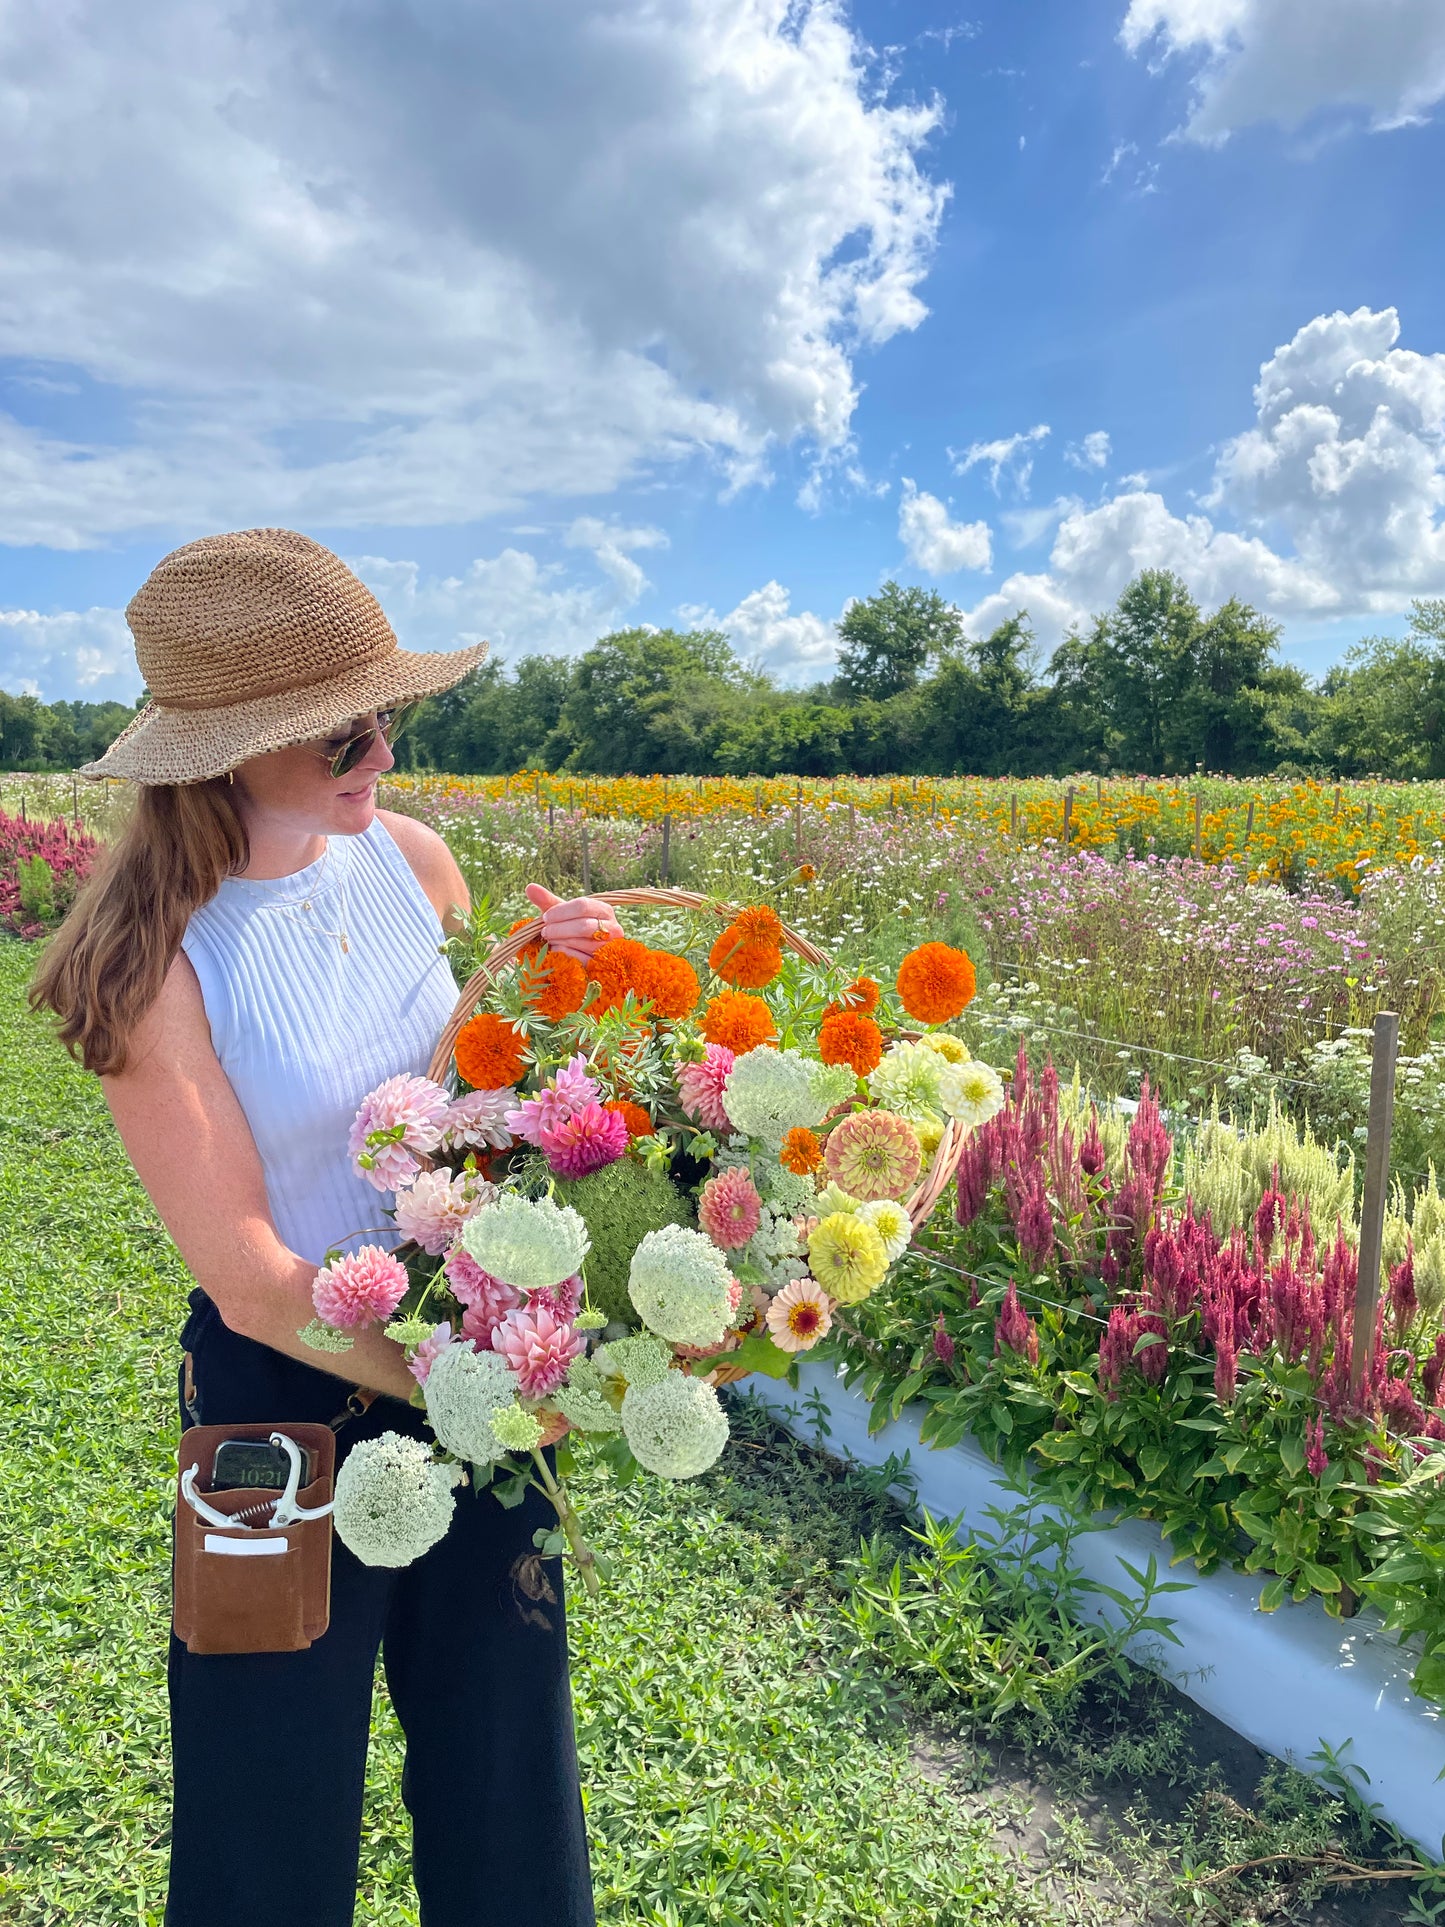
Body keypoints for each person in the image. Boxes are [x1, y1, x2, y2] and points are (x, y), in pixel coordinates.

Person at [31, 528, 617, 1927]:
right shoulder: (150, 962)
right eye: (342, 734)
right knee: (267, 1790)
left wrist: (552, 987)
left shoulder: (413, 861)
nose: (383, 756)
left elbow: (469, 1097)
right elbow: (247, 1278)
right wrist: (477, 1389)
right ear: (223, 751)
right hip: (280, 1400)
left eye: (386, 717)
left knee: (506, 1765)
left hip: (467, 1356)